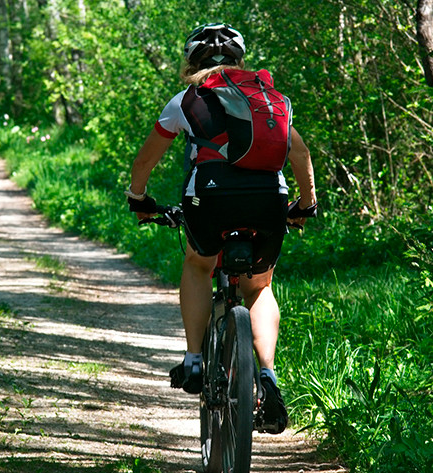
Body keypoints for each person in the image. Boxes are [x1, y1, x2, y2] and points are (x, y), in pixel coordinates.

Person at [125, 23, 317, 434]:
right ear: (238, 60)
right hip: (269, 200)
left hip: (209, 200)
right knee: (259, 288)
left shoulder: (186, 100)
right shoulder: (268, 99)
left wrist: (139, 199)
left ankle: (194, 359)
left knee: (198, 264)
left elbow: (145, 162)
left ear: (191, 62)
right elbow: (299, 153)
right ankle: (267, 375)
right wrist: (305, 205)